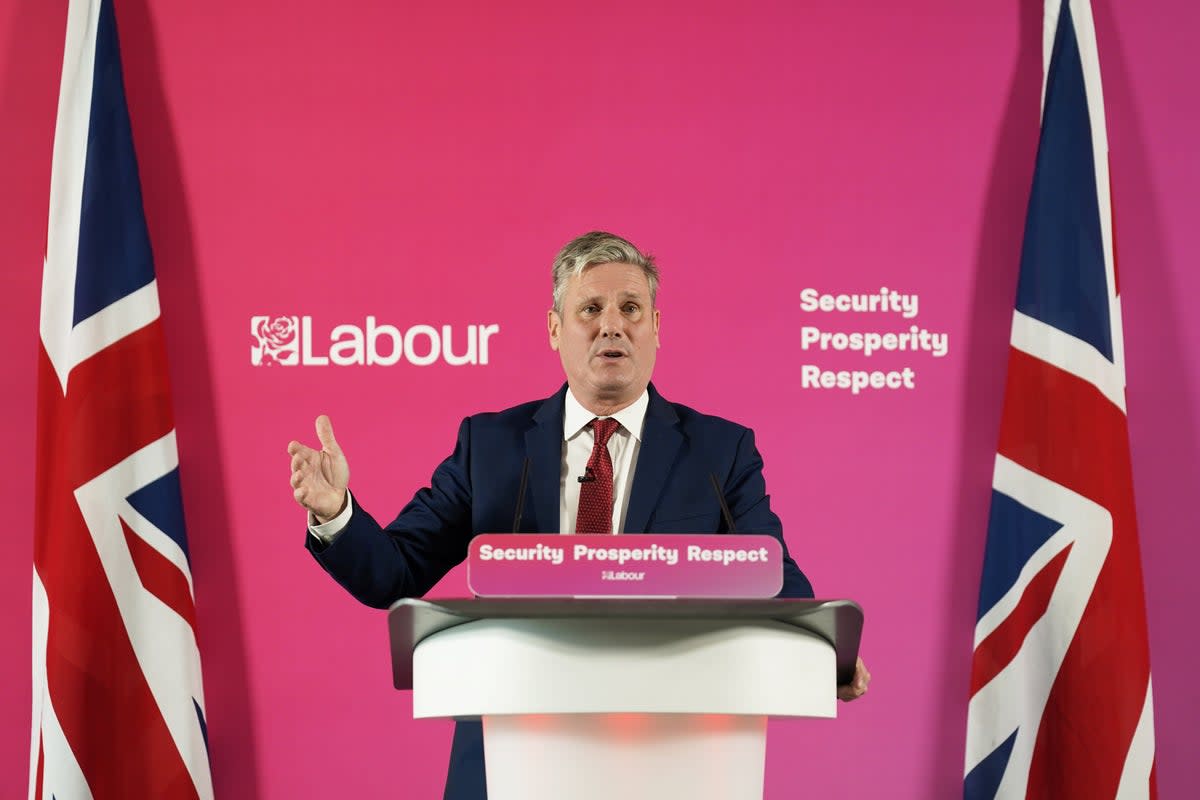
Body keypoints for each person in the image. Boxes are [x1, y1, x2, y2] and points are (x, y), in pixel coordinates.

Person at [288, 231, 870, 800]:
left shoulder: (720, 452)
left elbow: (775, 578)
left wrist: (824, 650)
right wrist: (336, 510)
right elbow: (395, 572)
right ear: (554, 328)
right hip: (510, 751)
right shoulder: (490, 446)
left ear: (657, 328)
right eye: (590, 308)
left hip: (674, 755)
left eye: (631, 308)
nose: (612, 324)